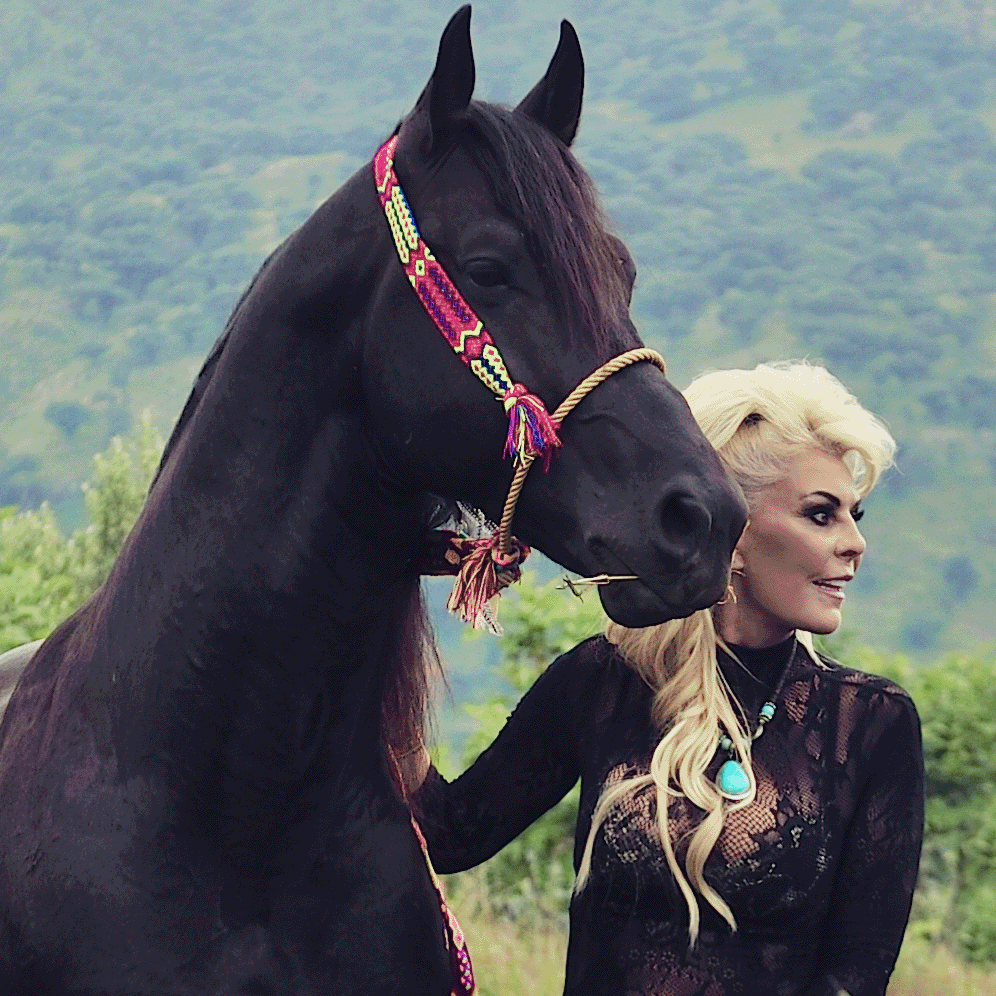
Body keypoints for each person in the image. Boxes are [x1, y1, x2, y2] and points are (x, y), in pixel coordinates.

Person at [411, 361, 924, 996]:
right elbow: (452, 832)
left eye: (855, 516)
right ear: (729, 530)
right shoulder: (603, 681)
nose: (855, 544)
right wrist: (385, 611)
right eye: (821, 515)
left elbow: (853, 977)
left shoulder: (868, 722)